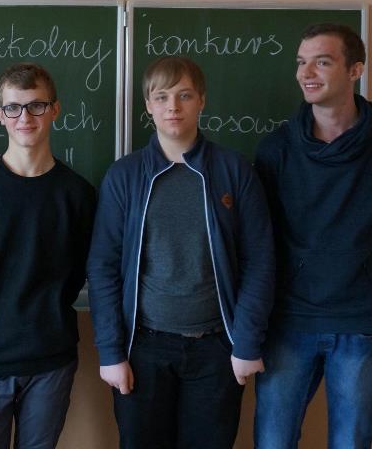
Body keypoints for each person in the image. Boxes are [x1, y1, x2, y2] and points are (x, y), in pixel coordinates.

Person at [86, 56, 275, 448]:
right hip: (142, 348)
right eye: (162, 96)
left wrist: (246, 342)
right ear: (148, 105)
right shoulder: (124, 176)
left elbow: (260, 261)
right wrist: (111, 352)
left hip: (218, 349)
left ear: (201, 100)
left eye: (184, 95)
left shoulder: (234, 170)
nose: (173, 106)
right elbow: (103, 267)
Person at [253, 23, 372, 448]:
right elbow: (262, 238)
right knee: (273, 440)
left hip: (359, 321)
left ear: (355, 69)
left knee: (350, 441)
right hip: (288, 321)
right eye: (301, 62)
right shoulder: (276, 149)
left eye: (322, 62)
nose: (306, 73)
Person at [0, 62, 96, 449]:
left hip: (50, 358)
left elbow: (78, 272)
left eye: (36, 106)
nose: (25, 118)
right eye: (13, 107)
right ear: (0, 114)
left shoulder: (77, 194)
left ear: (55, 109)